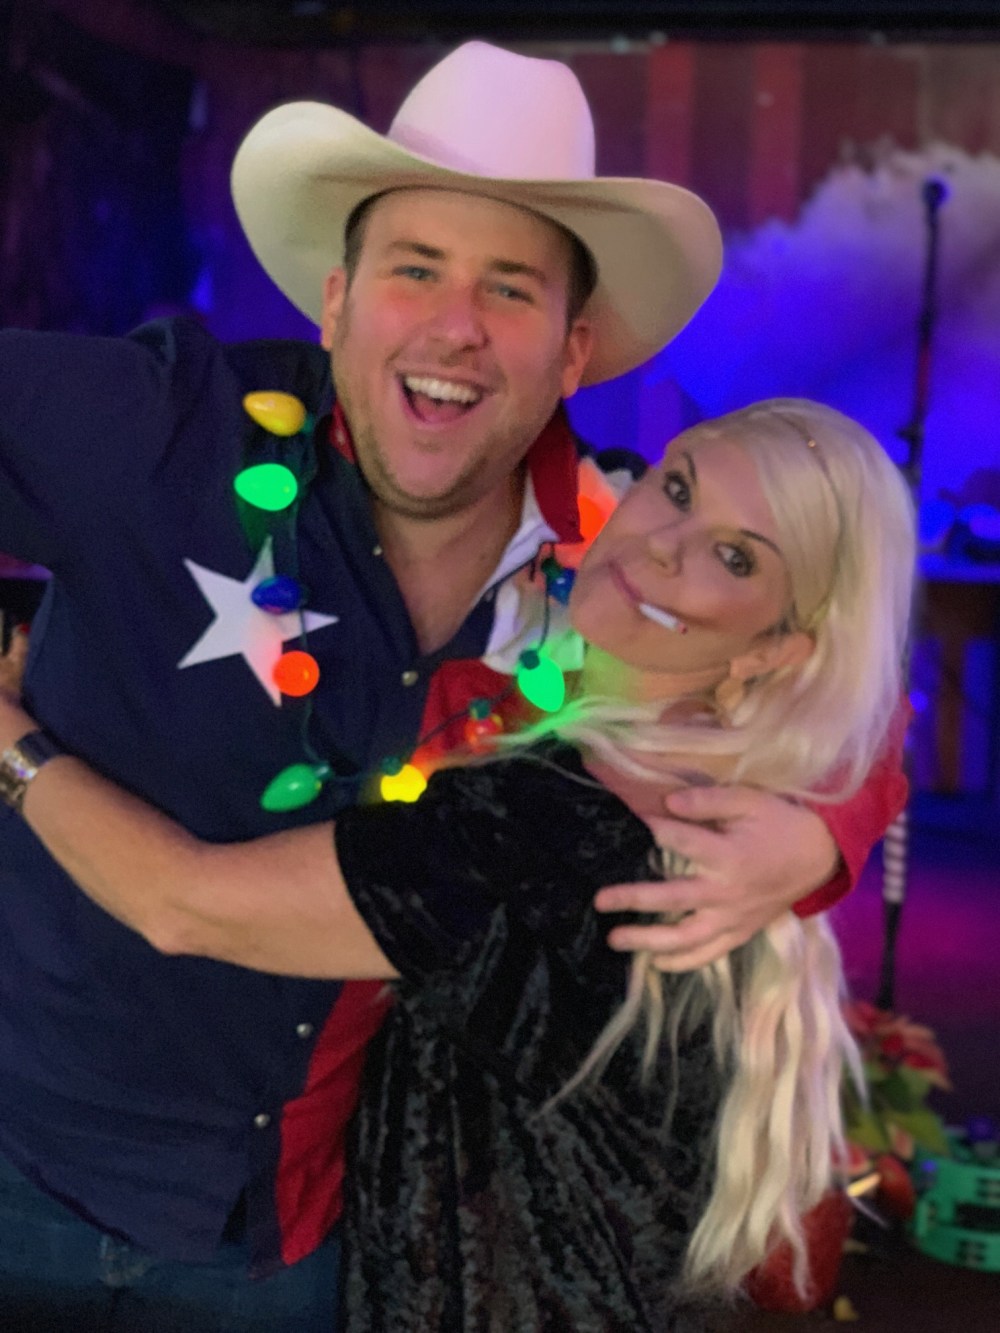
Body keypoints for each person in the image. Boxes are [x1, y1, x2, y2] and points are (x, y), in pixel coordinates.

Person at [0, 40, 905, 1329]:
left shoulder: (618, 556)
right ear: (337, 301)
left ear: (574, 348)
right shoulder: (164, 426)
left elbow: (833, 674)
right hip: (25, 1165)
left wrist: (817, 836)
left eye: (510, 287)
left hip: (299, 1244)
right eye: (415, 268)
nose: (455, 326)